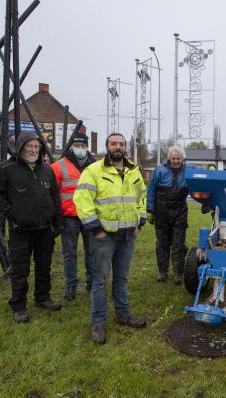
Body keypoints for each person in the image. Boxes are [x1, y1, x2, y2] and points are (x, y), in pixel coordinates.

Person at [73, 133, 147, 344]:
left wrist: (139, 222)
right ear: (107, 146)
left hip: (128, 236)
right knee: (100, 280)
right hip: (104, 237)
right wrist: (96, 229)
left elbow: (142, 196)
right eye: (114, 143)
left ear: (125, 147)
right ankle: (98, 323)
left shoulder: (134, 171)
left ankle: (123, 315)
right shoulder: (93, 171)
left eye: (121, 144)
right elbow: (82, 201)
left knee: (121, 279)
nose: (118, 147)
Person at [0, 132, 62, 323]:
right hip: (20, 229)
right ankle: (19, 306)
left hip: (45, 228)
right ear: (20, 147)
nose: (33, 150)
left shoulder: (46, 170)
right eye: (29, 146)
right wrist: (12, 213)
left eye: (37, 147)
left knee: (44, 265)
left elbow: (55, 196)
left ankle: (43, 297)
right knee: (21, 269)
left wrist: (57, 220)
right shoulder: (6, 169)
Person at [51, 132, 96, 301]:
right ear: (71, 147)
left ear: (87, 147)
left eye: (83, 146)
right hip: (68, 217)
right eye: (77, 146)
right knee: (69, 253)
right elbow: (52, 193)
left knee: (92, 252)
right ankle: (71, 285)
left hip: (90, 216)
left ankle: (91, 283)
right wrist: (56, 216)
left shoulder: (96, 167)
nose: (80, 149)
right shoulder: (58, 166)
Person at [147, 146, 199, 284]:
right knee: (162, 244)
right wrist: (150, 209)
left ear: (183, 159)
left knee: (178, 244)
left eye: (178, 159)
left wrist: (211, 171)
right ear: (169, 158)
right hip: (161, 211)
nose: (176, 161)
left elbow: (204, 176)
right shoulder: (159, 170)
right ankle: (162, 272)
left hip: (180, 211)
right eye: (173, 158)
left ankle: (178, 273)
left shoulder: (190, 169)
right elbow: (151, 190)